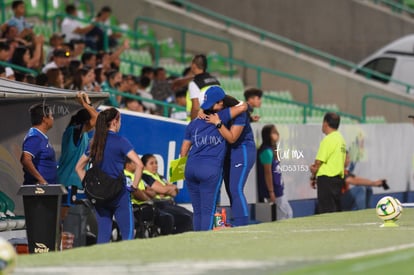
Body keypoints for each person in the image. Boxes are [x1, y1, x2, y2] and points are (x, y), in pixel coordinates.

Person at [180, 86, 248, 231]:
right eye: (220, 102)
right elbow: (243, 107)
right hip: (209, 169)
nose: (222, 104)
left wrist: (201, 110)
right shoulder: (222, 116)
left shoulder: (193, 123)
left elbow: (183, 151)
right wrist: (218, 122)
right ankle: (204, 242)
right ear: (218, 103)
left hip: (190, 169)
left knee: (197, 211)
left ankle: (196, 242)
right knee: (208, 211)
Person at [75, 108, 144, 244]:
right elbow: (139, 165)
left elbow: (78, 167)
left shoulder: (94, 142)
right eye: (120, 120)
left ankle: (101, 264)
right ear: (114, 121)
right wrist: (134, 186)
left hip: (100, 195)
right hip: (119, 194)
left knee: (103, 233)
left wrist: (89, 187)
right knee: (128, 235)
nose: (120, 124)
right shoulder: (121, 141)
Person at [203, 90, 256, 227]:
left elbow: (232, 138)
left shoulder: (239, 113)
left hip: (242, 150)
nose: (211, 109)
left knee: (235, 188)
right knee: (229, 189)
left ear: (221, 102)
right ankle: (234, 222)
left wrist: (218, 123)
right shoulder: (217, 109)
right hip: (228, 152)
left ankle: (243, 224)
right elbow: (200, 112)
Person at [57, 92, 98, 205]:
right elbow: (96, 118)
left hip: (70, 180)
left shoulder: (80, 133)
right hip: (68, 180)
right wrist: (84, 104)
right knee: (62, 216)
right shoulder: (74, 131)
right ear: (85, 121)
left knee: (64, 216)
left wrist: (87, 103)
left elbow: (94, 118)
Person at [140, 154, 193, 234]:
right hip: (160, 205)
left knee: (192, 216)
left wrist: (165, 191)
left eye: (156, 163)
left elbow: (175, 192)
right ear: (144, 166)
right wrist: (166, 190)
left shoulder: (160, 177)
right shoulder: (146, 176)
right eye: (151, 163)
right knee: (188, 218)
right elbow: (163, 190)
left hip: (170, 203)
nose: (155, 165)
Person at [124, 157, 174, 237]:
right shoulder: (126, 176)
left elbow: (153, 192)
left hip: (148, 205)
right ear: (128, 164)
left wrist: (143, 192)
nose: (138, 164)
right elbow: (136, 193)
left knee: (167, 218)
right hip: (135, 208)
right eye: (134, 162)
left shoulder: (138, 175)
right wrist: (146, 196)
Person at [310, 112, 346, 214]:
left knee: (326, 211)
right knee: (335, 210)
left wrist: (313, 175)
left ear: (325, 123)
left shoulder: (328, 139)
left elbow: (318, 162)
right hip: (338, 180)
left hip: (326, 180)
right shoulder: (341, 139)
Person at [257, 124, 293, 220]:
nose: (277, 134)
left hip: (278, 188)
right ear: (267, 135)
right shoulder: (266, 151)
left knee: (283, 214)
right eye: (273, 132)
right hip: (274, 190)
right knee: (287, 214)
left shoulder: (273, 150)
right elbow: (267, 173)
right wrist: (271, 191)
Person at [20, 103, 56, 185]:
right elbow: (25, 159)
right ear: (44, 119)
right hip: (39, 191)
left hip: (48, 189)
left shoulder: (41, 136)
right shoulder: (35, 137)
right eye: (51, 116)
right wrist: (41, 180)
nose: (52, 119)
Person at [187, 54, 220, 120]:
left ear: (194, 65)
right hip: (213, 120)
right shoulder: (215, 81)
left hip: (200, 122)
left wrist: (192, 125)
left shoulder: (194, 83)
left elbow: (196, 107)